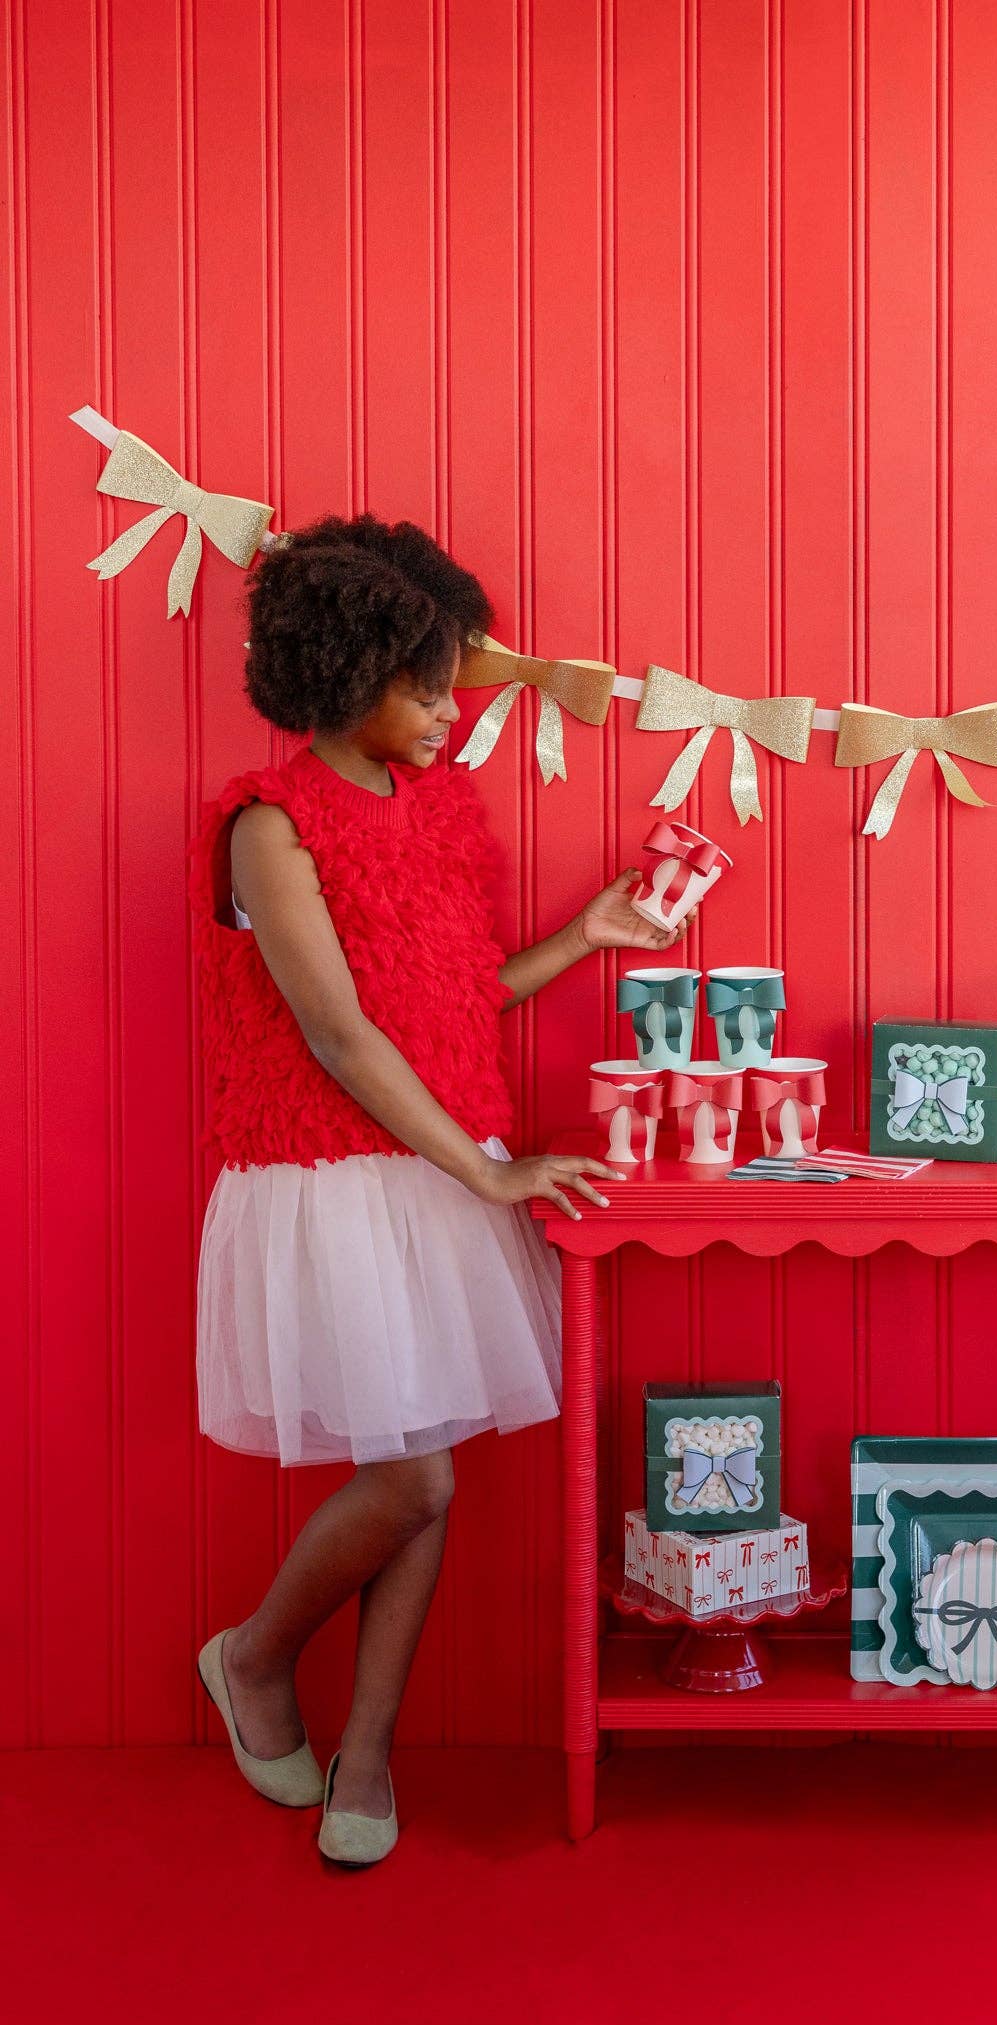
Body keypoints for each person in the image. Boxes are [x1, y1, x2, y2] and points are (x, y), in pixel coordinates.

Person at [189, 514, 685, 1865]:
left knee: (428, 1477)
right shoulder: (268, 828)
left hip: (434, 1173)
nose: (446, 712)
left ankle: (368, 1753)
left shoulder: (443, 812)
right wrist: (493, 1170)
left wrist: (584, 935)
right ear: (345, 676)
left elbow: (452, 1002)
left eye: (452, 682)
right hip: (333, 1180)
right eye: (422, 685)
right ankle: (251, 1657)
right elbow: (340, 1037)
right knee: (415, 1480)